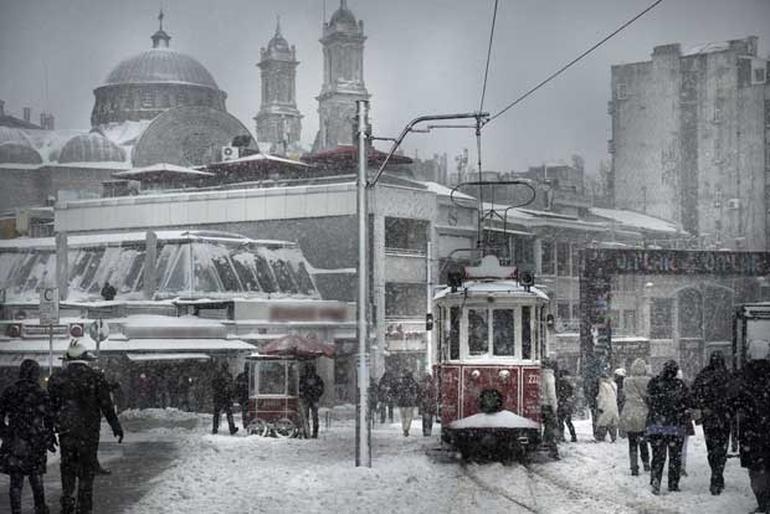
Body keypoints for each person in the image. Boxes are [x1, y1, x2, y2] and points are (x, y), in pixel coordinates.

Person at [48, 339, 123, 514]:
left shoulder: (57, 378)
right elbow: (106, 405)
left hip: (66, 431)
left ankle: (67, 498)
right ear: (85, 357)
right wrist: (116, 426)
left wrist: (49, 431)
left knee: (67, 466)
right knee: (86, 469)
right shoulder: (95, 377)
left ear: (67, 358)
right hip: (88, 432)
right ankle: (84, 504)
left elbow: (50, 408)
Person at [0, 359, 56, 514]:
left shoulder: (10, 391)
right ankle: (40, 507)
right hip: (35, 440)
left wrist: (5, 432)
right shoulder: (40, 393)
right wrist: (49, 436)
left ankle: (16, 510)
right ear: (35, 374)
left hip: (15, 439)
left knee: (16, 481)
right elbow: (49, 418)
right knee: (36, 478)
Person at [734, 339, 770, 513]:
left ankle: (763, 501)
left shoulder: (743, 376)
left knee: (756, 469)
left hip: (751, 432)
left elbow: (733, 400)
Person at [646, 359, 690, 495]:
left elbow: (649, 401)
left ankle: (655, 479)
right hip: (675, 425)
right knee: (675, 456)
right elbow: (687, 402)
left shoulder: (654, 383)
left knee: (658, 455)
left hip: (657, 424)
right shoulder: (680, 385)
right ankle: (673, 483)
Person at [691, 351, 733, 494]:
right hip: (724, 417)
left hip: (709, 418)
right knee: (722, 448)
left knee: (712, 448)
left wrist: (703, 408)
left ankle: (715, 475)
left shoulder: (703, 376)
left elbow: (694, 394)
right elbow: (735, 397)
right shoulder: (728, 376)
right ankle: (718, 475)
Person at [619, 358, 650, 476]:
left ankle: (634, 466)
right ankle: (646, 463)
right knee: (643, 440)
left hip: (629, 412)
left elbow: (624, 395)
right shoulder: (648, 381)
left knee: (632, 442)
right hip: (643, 412)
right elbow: (648, 396)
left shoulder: (627, 381)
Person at [676, 368, 695, 478]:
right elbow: (690, 403)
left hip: (672, 421)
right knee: (683, 446)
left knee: (674, 446)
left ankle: (675, 465)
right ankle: (682, 467)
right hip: (684, 420)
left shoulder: (665, 386)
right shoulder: (685, 388)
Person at [211, 362, 238, 435]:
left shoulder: (217, 375)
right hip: (226, 398)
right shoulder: (229, 376)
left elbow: (213, 385)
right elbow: (231, 387)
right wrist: (231, 396)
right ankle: (232, 428)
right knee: (229, 414)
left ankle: (215, 428)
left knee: (216, 414)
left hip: (218, 397)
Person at [540, 359, 560, 459]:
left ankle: (544, 442)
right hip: (547, 405)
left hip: (539, 404)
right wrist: (554, 407)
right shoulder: (549, 377)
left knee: (547, 427)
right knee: (551, 427)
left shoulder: (539, 374)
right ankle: (553, 450)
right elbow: (551, 394)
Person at [299, 365, 324, 439]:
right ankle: (312, 432)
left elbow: (300, 388)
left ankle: (307, 432)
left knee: (307, 417)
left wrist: (303, 393)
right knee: (313, 417)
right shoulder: (317, 379)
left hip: (308, 399)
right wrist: (316, 394)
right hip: (313, 399)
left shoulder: (303, 379)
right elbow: (321, 388)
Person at [392, 369, 419, 437]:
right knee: (408, 417)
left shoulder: (400, 383)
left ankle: (404, 429)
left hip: (402, 402)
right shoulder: (412, 382)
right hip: (409, 402)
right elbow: (417, 390)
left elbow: (394, 390)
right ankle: (406, 429)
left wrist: (397, 397)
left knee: (403, 417)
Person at [595, 372, 619, 442]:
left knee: (603, 422)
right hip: (613, 405)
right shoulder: (613, 384)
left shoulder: (603, 385)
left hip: (606, 406)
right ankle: (613, 437)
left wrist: (600, 407)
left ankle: (600, 437)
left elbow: (603, 397)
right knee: (612, 422)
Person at [556, 369, 577, 443]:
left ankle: (561, 436)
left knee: (560, 421)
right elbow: (571, 394)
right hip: (568, 404)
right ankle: (573, 436)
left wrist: (560, 401)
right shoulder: (569, 384)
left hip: (562, 404)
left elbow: (560, 394)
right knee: (568, 421)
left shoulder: (560, 383)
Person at [418, 372, 436, 437]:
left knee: (427, 418)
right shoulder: (431, 386)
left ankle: (426, 431)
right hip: (427, 404)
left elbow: (420, 395)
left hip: (427, 404)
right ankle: (427, 431)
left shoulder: (428, 386)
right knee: (427, 418)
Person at [235, 364, 250, 430]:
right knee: (248, 410)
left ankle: (246, 424)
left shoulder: (241, 376)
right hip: (247, 396)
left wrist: (238, 395)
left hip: (243, 397)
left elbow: (236, 386)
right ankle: (247, 423)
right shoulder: (252, 375)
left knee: (245, 411)